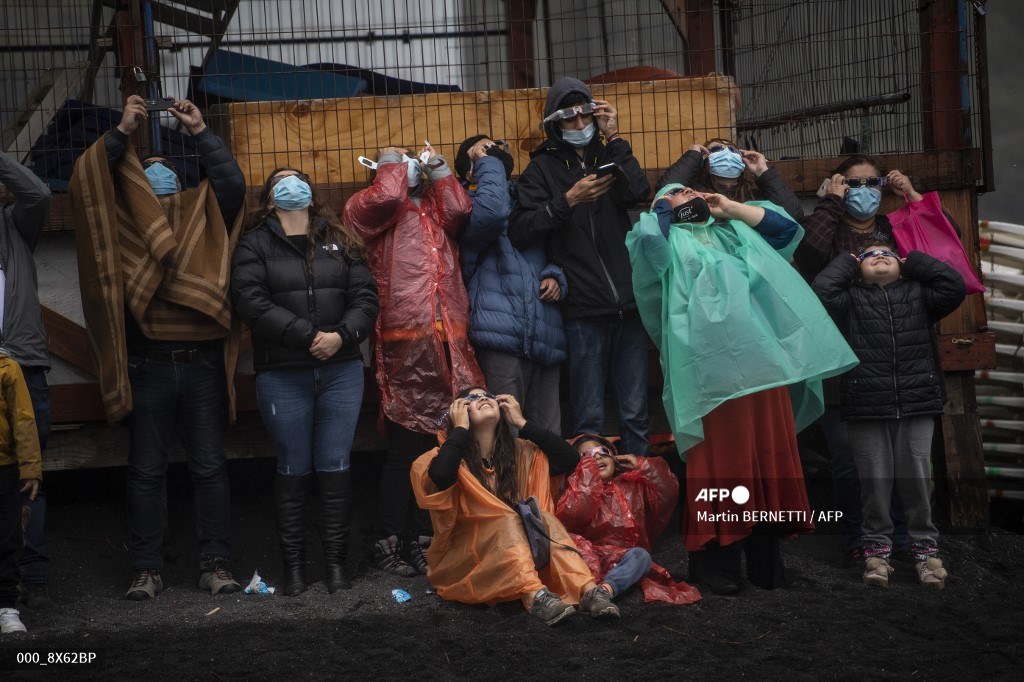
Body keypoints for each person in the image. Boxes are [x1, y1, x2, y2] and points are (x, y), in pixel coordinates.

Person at [626, 184, 858, 594]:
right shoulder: (663, 238)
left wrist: (729, 207)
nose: (692, 192)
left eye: (695, 188)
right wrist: (665, 206)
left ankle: (768, 565)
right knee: (722, 462)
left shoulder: (733, 230)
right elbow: (649, 240)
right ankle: (718, 565)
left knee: (768, 456)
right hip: (709, 377)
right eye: (678, 191)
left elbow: (786, 232)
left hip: (765, 369)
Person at [70, 95, 246, 600]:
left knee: (210, 467)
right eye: (150, 170)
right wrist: (123, 132)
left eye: (168, 169)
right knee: (145, 470)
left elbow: (232, 186)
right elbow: (89, 182)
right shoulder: (122, 221)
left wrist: (199, 131)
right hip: (147, 366)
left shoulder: (201, 212)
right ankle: (145, 570)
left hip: (204, 366)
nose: (161, 175)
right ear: (135, 185)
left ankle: (217, 565)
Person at [231, 168, 379, 595]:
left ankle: (336, 566)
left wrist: (342, 336)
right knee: (292, 467)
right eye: (281, 179)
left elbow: (365, 297)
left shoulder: (342, 241)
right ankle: (293, 569)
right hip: (283, 375)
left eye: (298, 178)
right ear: (270, 197)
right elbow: (251, 302)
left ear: (311, 195)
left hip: (342, 371)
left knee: (335, 466)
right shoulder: (253, 244)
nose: (291, 183)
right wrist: (308, 336)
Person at [343, 143, 483, 577]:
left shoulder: (435, 209)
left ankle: (424, 538)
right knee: (405, 447)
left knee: (440, 443)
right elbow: (385, 198)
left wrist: (438, 167)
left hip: (449, 336)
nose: (408, 168)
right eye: (399, 163)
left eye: (410, 162)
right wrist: (388, 160)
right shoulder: (367, 209)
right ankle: (388, 539)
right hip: (405, 335)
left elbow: (461, 209)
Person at [510, 77, 652, 456]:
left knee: (636, 414)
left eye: (585, 116)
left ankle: (641, 500)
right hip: (583, 310)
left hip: (629, 304)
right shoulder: (541, 169)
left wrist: (616, 137)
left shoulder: (610, 154)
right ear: (556, 123)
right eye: (570, 119)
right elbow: (521, 228)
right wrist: (567, 201)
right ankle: (592, 502)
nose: (579, 126)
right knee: (588, 419)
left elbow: (639, 193)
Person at [813, 244, 966, 589]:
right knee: (874, 484)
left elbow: (954, 286)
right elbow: (823, 289)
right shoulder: (849, 300)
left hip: (916, 403)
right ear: (857, 268)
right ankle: (876, 555)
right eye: (870, 255)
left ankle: (926, 556)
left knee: (916, 481)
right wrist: (848, 261)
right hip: (866, 406)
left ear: (902, 265)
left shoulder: (920, 296)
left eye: (888, 253)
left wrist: (914, 261)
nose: (880, 256)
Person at [794, 155, 920, 565]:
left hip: (891, 357)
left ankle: (901, 536)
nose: (862, 191)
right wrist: (831, 202)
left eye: (872, 183)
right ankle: (859, 536)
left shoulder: (893, 229)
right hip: (839, 357)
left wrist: (911, 197)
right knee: (848, 457)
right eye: (853, 184)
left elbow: (940, 244)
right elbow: (808, 254)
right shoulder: (829, 229)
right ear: (838, 185)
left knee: (898, 457)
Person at [410, 387, 621, 625]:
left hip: (520, 547)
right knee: (507, 517)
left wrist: (522, 422)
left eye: (487, 395)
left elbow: (568, 460)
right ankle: (536, 597)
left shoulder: (519, 451)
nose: (482, 399)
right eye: (472, 398)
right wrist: (459, 428)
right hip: (468, 556)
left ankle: (589, 591)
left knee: (545, 518)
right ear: (460, 411)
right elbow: (441, 476)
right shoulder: (445, 454)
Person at [455, 134, 567, 435]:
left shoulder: (527, 198)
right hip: (499, 334)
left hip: (545, 332)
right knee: (507, 435)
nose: (494, 153)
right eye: (484, 152)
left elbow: (557, 247)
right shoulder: (464, 203)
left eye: (497, 149)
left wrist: (557, 276)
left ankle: (548, 486)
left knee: (548, 438)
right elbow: (492, 215)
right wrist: (485, 165)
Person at [554, 434, 701, 605]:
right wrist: (588, 479)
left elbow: (667, 489)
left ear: (614, 456)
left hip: (624, 558)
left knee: (641, 556)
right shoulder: (575, 494)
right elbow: (574, 515)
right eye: (586, 456)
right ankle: (592, 589)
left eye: (602, 450)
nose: (597, 456)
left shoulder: (631, 485)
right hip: (589, 558)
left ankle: (604, 591)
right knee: (569, 546)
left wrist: (642, 466)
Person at [0, 150, 53, 609]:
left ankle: (31, 581)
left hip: (23, 366)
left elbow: (36, 192)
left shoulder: (14, 227)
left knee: (27, 476)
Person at [657, 138, 805, 222]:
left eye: (733, 150)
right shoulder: (693, 194)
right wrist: (693, 156)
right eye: (716, 150)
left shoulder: (755, 195)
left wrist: (763, 173)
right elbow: (665, 192)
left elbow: (793, 216)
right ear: (705, 161)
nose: (726, 153)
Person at [0, 354, 41, 634]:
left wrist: (30, 467)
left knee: (7, 538)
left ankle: (6, 608)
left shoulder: (7, 368)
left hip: (2, 467)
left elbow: (23, 418)